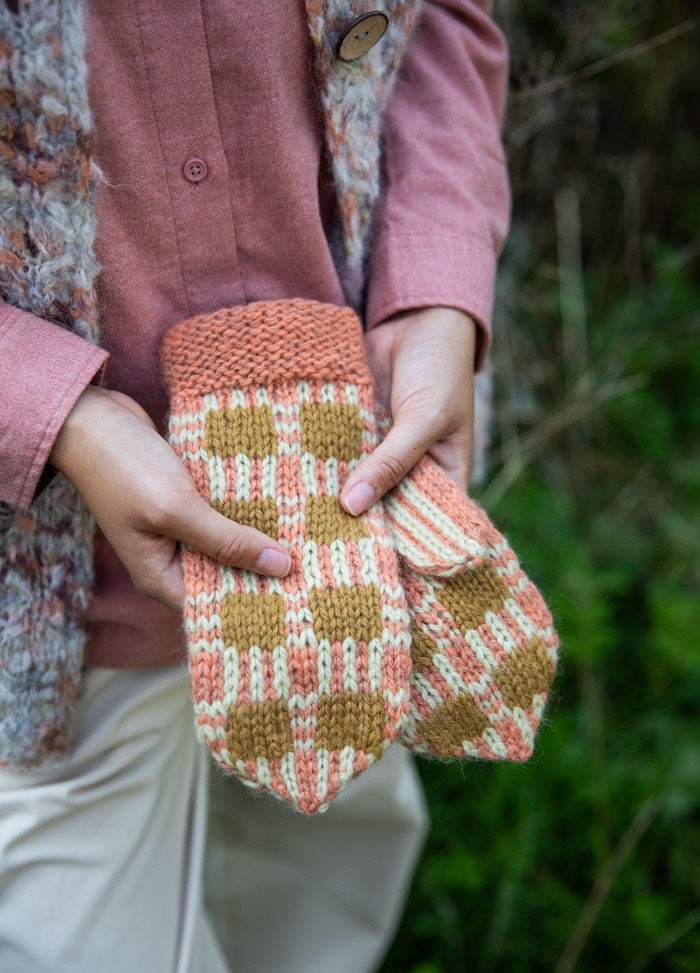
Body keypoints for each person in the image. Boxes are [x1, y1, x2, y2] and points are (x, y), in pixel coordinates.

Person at [0, 1, 510, 970]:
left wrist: (436, 280)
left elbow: (442, 21)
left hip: (349, 521)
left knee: (319, 887)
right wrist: (50, 410)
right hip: (48, 602)